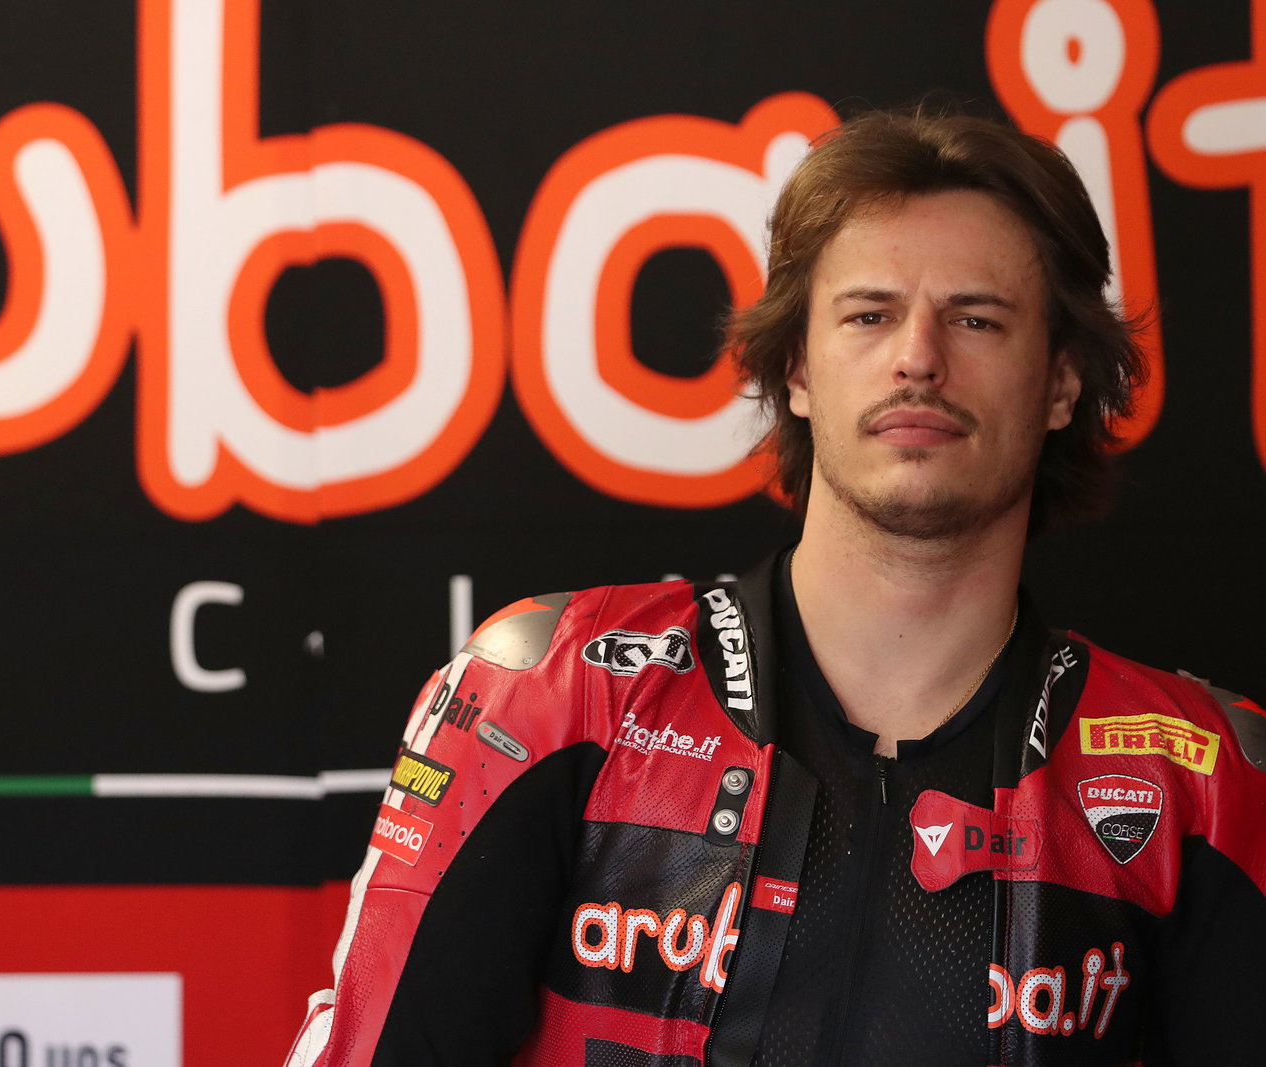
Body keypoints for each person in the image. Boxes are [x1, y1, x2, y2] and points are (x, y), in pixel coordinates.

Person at [285, 109, 1266, 1067]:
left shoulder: (1198, 780)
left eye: (976, 318)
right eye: (869, 314)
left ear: (1059, 382)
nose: (918, 356)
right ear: (796, 365)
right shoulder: (556, 691)